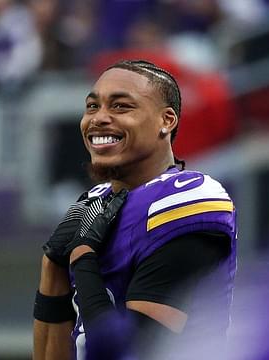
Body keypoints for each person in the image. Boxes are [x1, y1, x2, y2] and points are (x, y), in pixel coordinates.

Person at [33, 60, 237, 359]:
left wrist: (83, 258)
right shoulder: (94, 203)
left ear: (166, 121)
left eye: (120, 107)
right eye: (92, 107)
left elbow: (130, 351)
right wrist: (52, 267)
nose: (98, 118)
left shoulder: (187, 199)